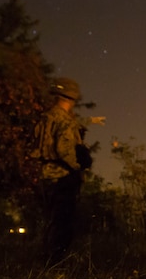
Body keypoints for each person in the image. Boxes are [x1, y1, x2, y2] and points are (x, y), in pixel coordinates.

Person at [34, 77, 101, 262]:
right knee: (62, 221)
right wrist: (77, 168)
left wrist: (90, 120)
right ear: (70, 98)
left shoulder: (47, 117)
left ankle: (47, 258)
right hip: (63, 176)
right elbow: (64, 149)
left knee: (50, 220)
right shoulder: (64, 121)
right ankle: (55, 262)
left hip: (46, 174)